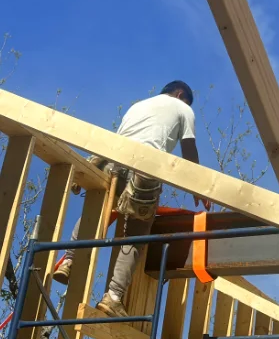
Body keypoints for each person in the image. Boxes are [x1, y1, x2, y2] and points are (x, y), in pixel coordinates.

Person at [53, 81, 212, 318]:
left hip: (112, 161)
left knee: (97, 214)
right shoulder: (183, 108)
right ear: (180, 95)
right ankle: (113, 297)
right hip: (143, 170)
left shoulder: (139, 105)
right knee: (135, 235)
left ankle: (69, 260)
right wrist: (199, 186)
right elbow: (189, 148)